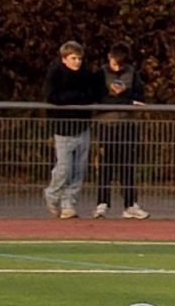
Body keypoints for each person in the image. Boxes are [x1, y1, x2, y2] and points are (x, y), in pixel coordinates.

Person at [43, 41, 101, 220]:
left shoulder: (86, 74)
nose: (77, 62)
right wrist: (76, 98)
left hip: (82, 126)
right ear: (64, 59)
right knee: (64, 168)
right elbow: (52, 96)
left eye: (79, 58)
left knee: (79, 169)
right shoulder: (55, 73)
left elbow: (92, 94)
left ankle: (69, 203)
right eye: (73, 58)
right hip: (63, 128)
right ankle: (52, 194)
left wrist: (79, 99)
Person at [92, 45, 150, 220]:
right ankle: (102, 203)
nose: (118, 67)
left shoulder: (132, 73)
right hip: (106, 125)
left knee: (127, 166)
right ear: (109, 57)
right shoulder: (100, 74)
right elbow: (98, 97)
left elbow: (139, 96)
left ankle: (130, 204)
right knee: (105, 166)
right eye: (115, 63)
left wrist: (127, 100)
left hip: (127, 124)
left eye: (121, 64)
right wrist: (125, 101)